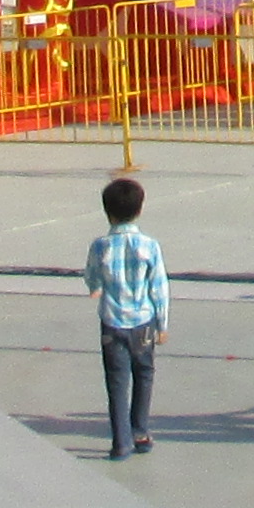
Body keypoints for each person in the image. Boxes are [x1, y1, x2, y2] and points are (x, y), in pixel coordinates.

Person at [83, 175, 167, 459]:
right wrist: (162, 324)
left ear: (108, 212)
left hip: (112, 320)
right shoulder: (149, 246)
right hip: (142, 321)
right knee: (144, 374)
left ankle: (121, 442)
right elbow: (159, 288)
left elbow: (91, 275)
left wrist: (95, 288)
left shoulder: (100, 246)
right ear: (139, 209)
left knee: (117, 381)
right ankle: (140, 430)